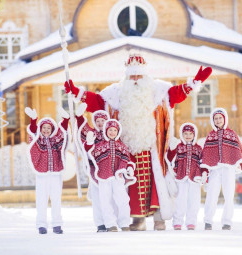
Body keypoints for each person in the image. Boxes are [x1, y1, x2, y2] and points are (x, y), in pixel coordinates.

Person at [64, 53, 212, 231]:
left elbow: (177, 94)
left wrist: (194, 82)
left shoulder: (159, 91)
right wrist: (77, 93)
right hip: (127, 149)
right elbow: (96, 101)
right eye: (132, 76)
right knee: (132, 186)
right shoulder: (115, 93)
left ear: (145, 75)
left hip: (154, 148)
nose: (135, 80)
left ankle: (159, 218)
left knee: (158, 184)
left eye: (138, 75)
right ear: (126, 76)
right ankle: (137, 219)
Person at [201, 108, 242, 230]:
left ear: (224, 119)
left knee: (229, 195)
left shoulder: (232, 134)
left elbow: (239, 151)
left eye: (220, 118)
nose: (218, 120)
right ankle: (208, 221)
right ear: (213, 120)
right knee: (211, 195)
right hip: (215, 169)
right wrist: (204, 173)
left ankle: (227, 221)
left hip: (228, 169)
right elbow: (205, 155)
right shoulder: (210, 135)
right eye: (216, 118)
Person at [84, 119, 136, 232]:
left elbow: (126, 158)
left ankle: (124, 223)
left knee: (122, 199)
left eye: (114, 130)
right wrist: (88, 144)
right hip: (103, 177)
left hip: (118, 177)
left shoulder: (121, 146)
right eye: (110, 130)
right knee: (105, 200)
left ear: (118, 132)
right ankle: (110, 224)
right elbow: (90, 155)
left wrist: (123, 169)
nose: (112, 132)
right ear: (106, 131)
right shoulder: (100, 146)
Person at [25, 106, 69, 235]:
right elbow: (32, 132)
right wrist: (33, 120)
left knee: (56, 199)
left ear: (52, 129)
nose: (46, 130)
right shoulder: (37, 139)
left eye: (48, 128)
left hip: (55, 174)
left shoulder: (56, 140)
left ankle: (57, 224)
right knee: (41, 199)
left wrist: (65, 120)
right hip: (42, 174)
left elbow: (64, 134)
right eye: (43, 128)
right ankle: (41, 224)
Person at [75, 103, 112, 232]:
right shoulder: (92, 133)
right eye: (98, 121)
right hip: (95, 170)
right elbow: (82, 130)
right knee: (97, 198)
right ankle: (100, 223)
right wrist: (79, 117)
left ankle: (111, 222)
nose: (101, 123)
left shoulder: (112, 133)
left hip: (110, 170)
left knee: (110, 198)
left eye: (103, 120)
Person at [165, 123, 207, 230]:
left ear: (194, 135)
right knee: (180, 200)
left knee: (194, 201)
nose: (188, 136)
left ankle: (191, 222)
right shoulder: (178, 147)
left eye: (190, 134)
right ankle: (177, 222)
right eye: (185, 134)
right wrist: (172, 149)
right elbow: (170, 159)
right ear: (181, 134)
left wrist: (204, 173)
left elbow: (203, 162)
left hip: (195, 177)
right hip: (181, 176)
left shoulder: (198, 148)